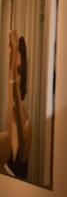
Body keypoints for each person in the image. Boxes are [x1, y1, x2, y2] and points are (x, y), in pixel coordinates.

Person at [0, 29, 32, 178]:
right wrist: (11, 71)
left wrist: (13, 77)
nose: (16, 76)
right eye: (14, 70)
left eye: (20, 71)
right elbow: (4, 155)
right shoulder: (4, 117)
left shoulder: (26, 122)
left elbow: (24, 152)